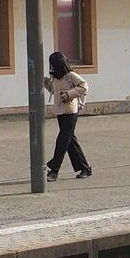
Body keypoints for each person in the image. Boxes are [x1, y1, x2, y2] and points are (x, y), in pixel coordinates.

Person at [43, 51, 92, 181]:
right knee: (70, 142)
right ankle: (85, 168)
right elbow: (53, 91)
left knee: (62, 141)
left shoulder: (71, 75)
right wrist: (45, 82)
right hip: (60, 112)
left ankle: (54, 170)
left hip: (71, 112)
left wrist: (69, 94)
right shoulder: (54, 78)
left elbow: (84, 86)